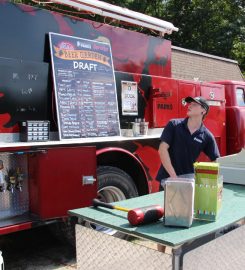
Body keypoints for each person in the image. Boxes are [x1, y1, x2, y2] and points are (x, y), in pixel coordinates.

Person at [156, 96, 220, 191]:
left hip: (187, 184)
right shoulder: (174, 125)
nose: (189, 106)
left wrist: (207, 182)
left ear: (203, 111)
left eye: (194, 104)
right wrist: (174, 177)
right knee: (167, 206)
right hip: (168, 180)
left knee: (186, 206)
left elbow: (216, 161)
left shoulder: (206, 135)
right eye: (190, 104)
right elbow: (162, 149)